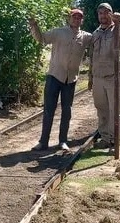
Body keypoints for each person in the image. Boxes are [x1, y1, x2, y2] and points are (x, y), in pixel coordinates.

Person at [29, 8, 91, 151]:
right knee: (49, 110)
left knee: (66, 111)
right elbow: (41, 38)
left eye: (79, 17)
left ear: (82, 20)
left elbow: (99, 41)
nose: (76, 19)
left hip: (71, 79)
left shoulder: (86, 36)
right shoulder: (58, 32)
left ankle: (62, 141)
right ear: (69, 18)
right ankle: (43, 141)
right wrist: (34, 25)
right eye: (74, 17)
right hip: (54, 76)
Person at [88, 3, 120, 149]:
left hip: (114, 76)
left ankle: (115, 139)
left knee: (115, 110)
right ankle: (105, 137)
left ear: (111, 14)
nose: (103, 16)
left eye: (106, 13)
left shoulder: (118, 28)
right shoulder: (95, 34)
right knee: (101, 108)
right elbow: (92, 57)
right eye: (100, 13)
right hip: (98, 77)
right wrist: (91, 78)